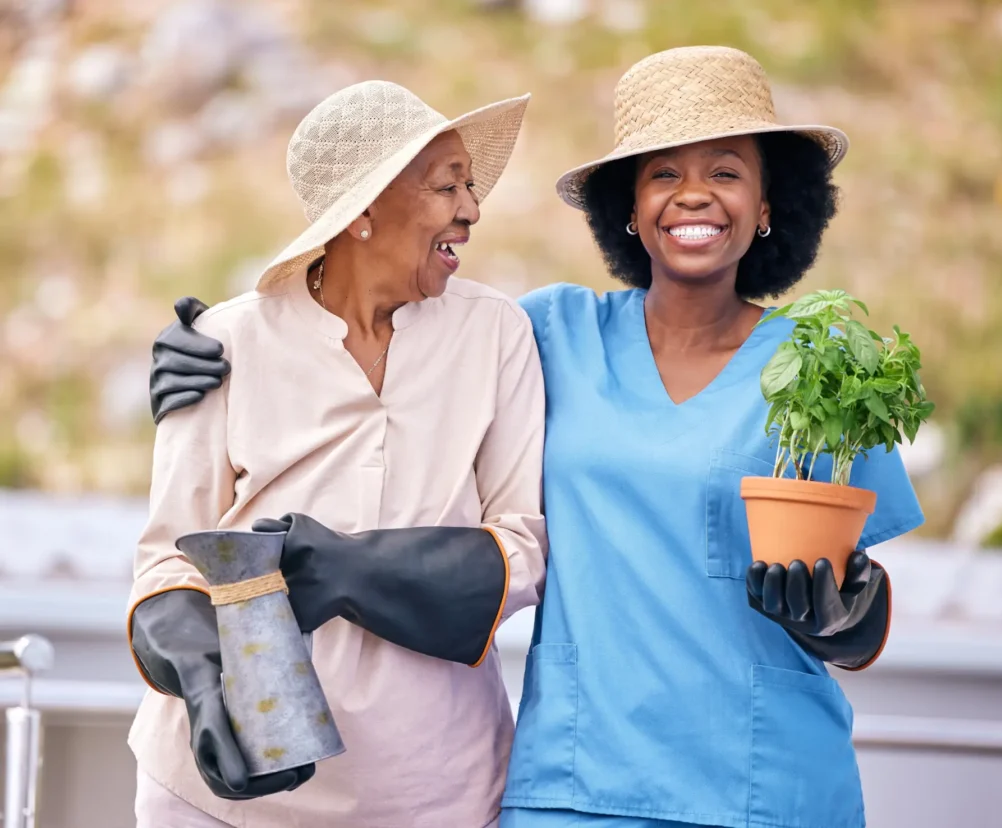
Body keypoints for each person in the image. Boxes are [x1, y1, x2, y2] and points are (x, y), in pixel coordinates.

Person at [151, 48, 923, 828]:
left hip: (770, 782)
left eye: (726, 173)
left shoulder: (822, 367)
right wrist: (210, 348)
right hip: (577, 785)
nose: (694, 195)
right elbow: (382, 306)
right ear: (628, 205)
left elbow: (865, 617)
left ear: (768, 204)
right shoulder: (551, 331)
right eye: (663, 174)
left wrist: (843, 613)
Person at [130, 80, 546, 828]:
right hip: (219, 798)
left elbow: (521, 546)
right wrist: (200, 684)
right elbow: (168, 559)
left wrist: (349, 568)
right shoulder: (225, 343)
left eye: (470, 185)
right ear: (361, 212)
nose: (472, 209)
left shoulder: (497, 335)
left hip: (436, 795)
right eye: (447, 186)